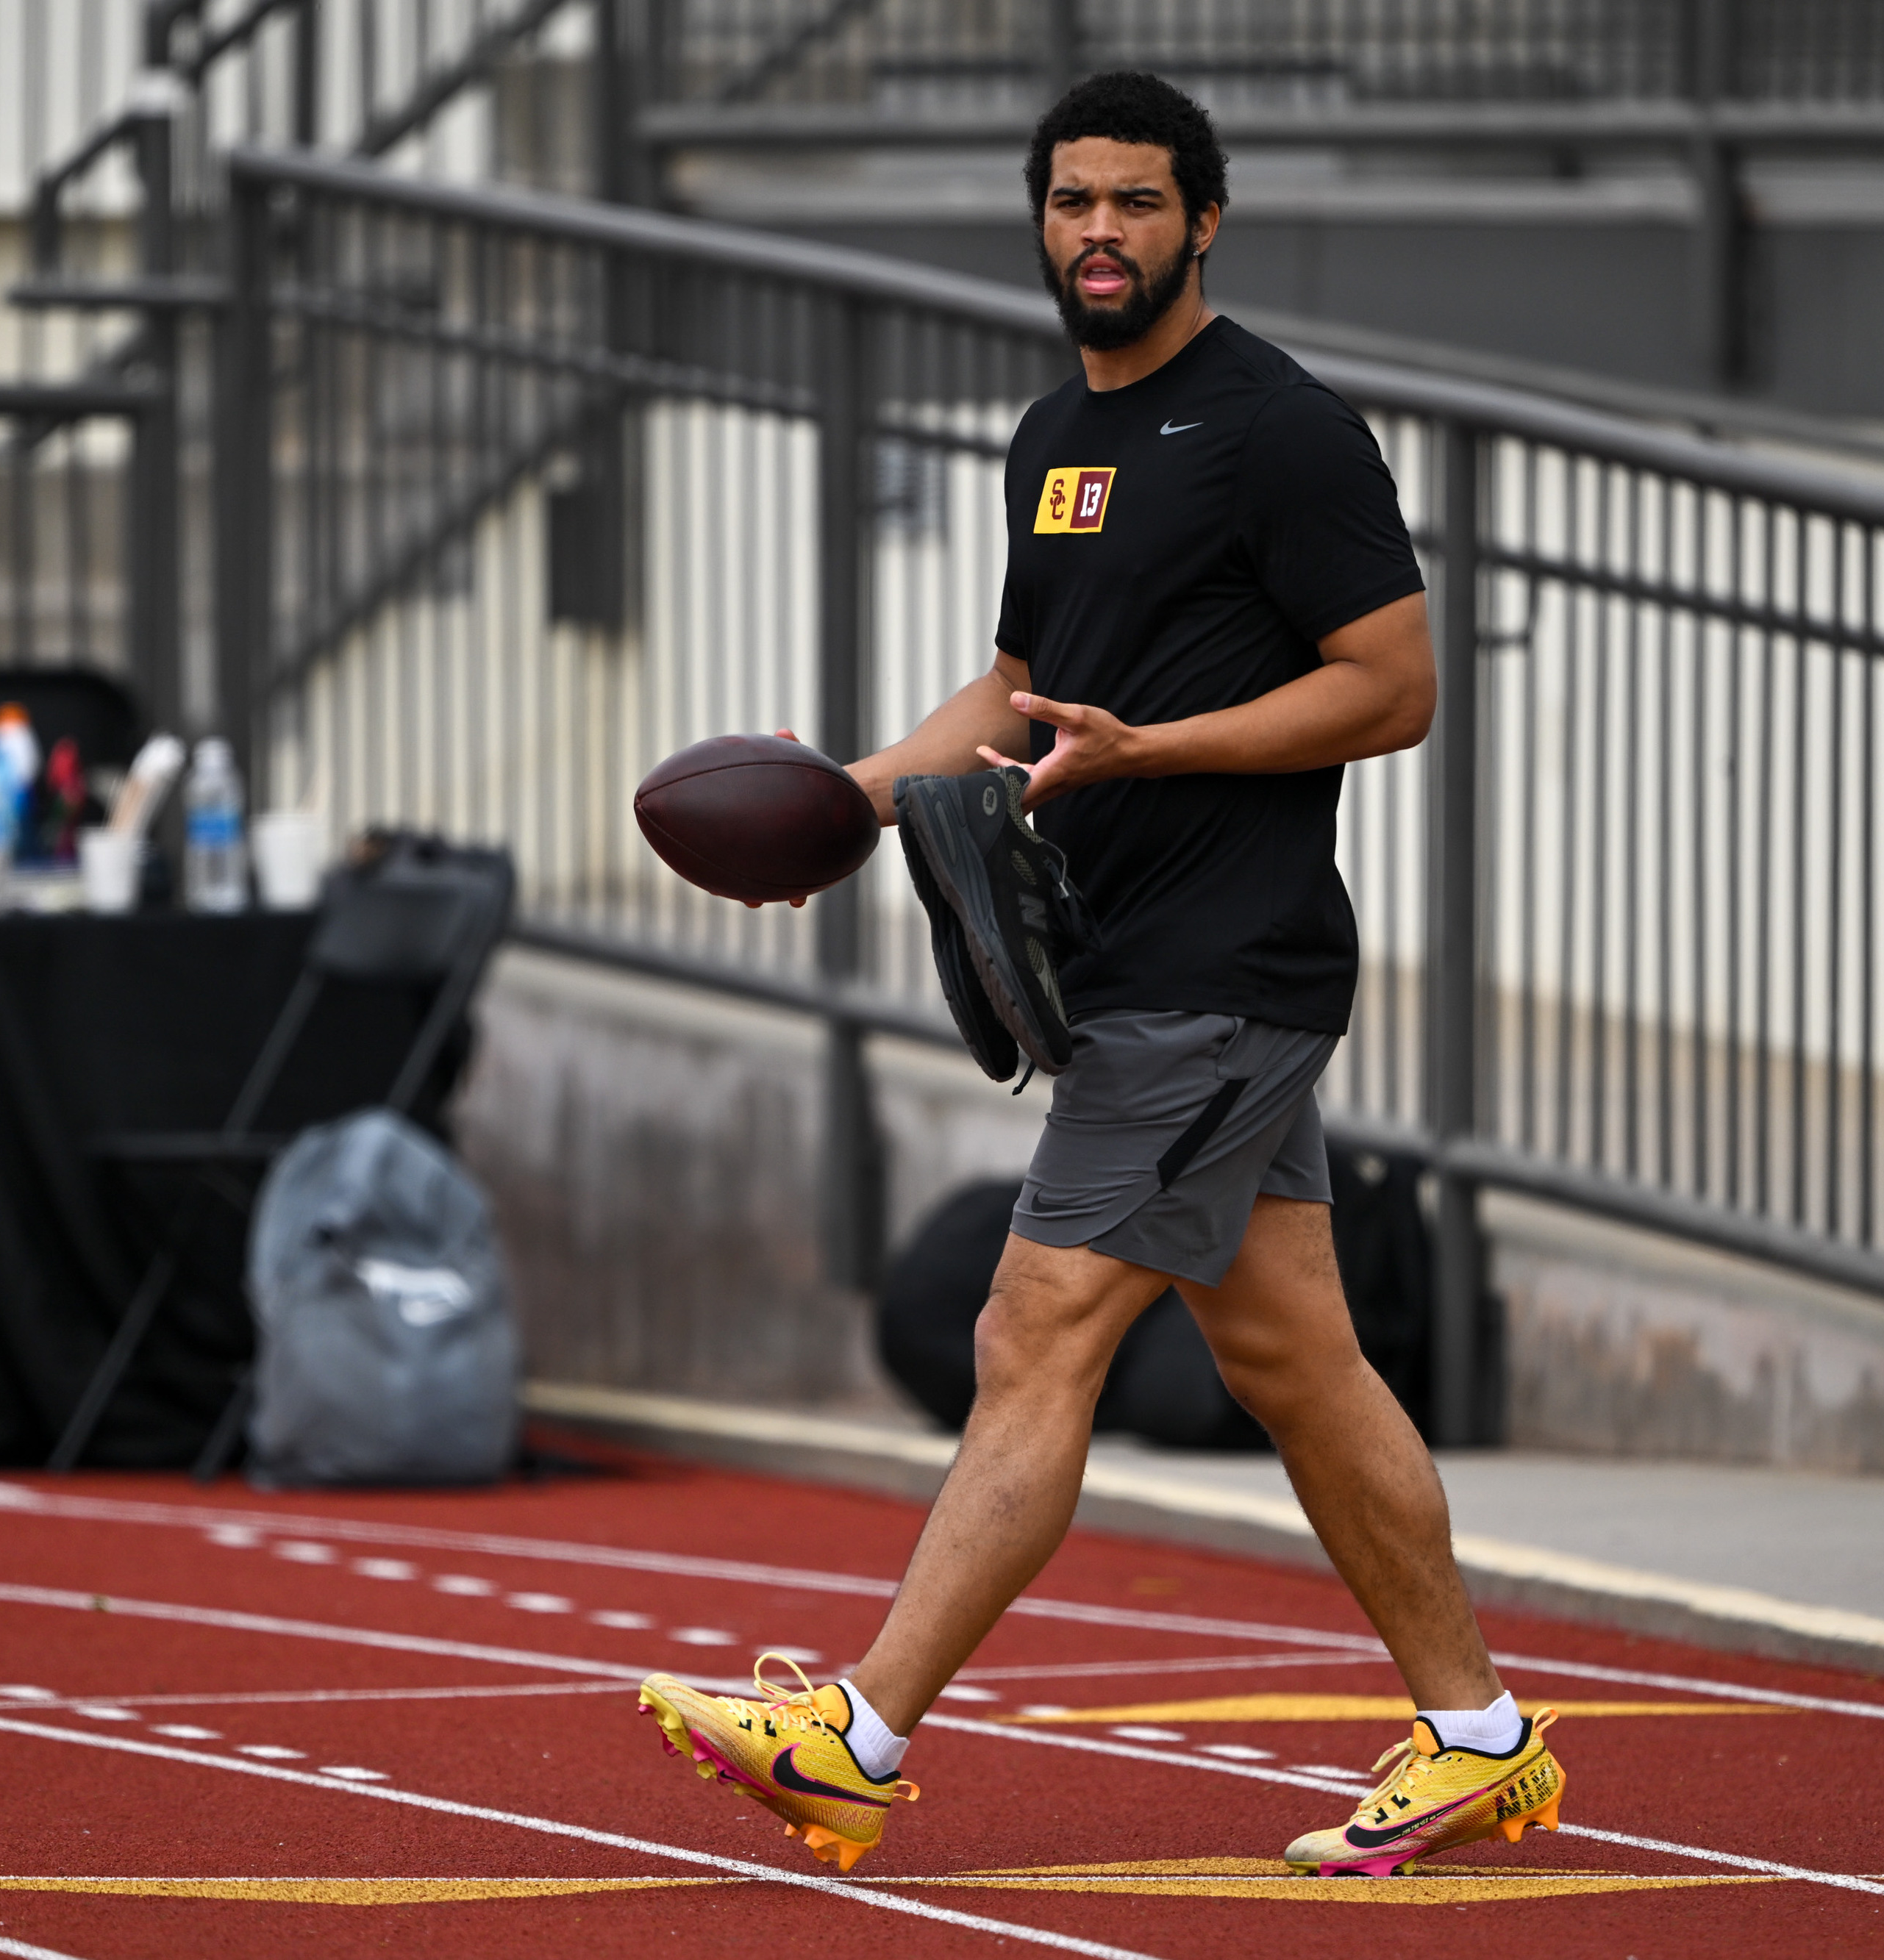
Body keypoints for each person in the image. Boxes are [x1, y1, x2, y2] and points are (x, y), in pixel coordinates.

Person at [633, 71, 1564, 1878]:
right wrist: (848, 792)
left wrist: (1156, 751)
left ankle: (860, 1730)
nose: (1098, 235)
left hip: (1226, 971)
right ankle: (1479, 1739)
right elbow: (1010, 685)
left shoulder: (1281, 432)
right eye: (1071, 203)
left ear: (1201, 221)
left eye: (1135, 204)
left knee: (1028, 1329)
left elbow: (1392, 687)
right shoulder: (1050, 434)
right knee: (1298, 1362)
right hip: (1125, 962)